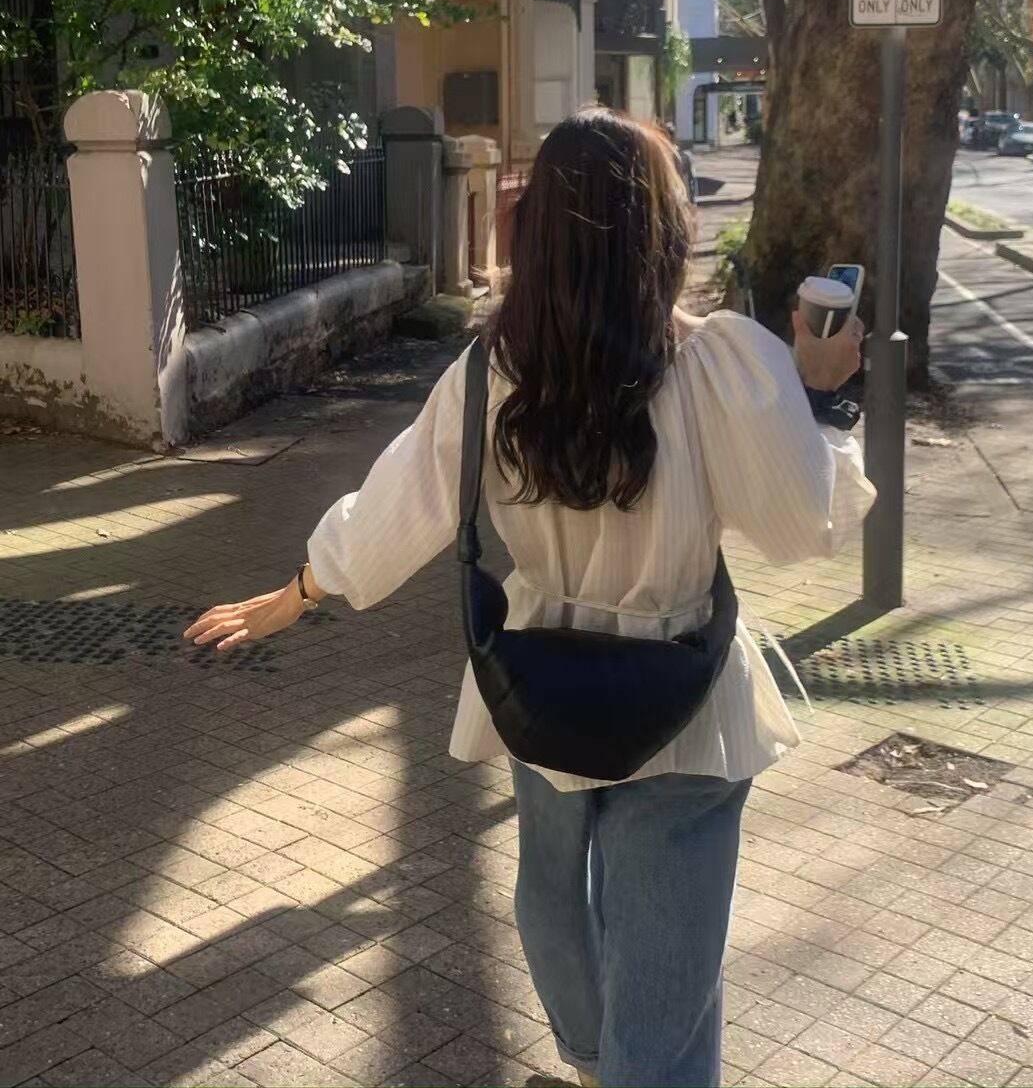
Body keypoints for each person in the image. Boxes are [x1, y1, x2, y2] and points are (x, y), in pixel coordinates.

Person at [184, 109, 875, 1088]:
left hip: (542, 683)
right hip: (684, 704)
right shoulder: (728, 367)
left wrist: (302, 589)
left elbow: (397, 506)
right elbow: (806, 528)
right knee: (667, 978)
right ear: (663, 232)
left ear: (536, 230)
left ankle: (590, 1065)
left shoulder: (490, 375)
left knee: (550, 896)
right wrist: (828, 400)